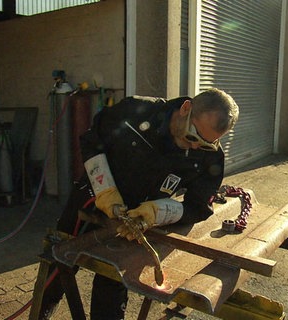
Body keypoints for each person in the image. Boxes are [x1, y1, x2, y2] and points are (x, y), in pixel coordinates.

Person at [39, 88, 239, 319]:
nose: (195, 147)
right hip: (92, 201)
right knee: (58, 270)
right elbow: (92, 142)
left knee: (111, 287)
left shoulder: (210, 156)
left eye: (205, 143)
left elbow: (199, 206)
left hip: (133, 223)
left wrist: (160, 212)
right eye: (193, 136)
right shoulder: (135, 111)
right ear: (186, 108)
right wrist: (105, 190)